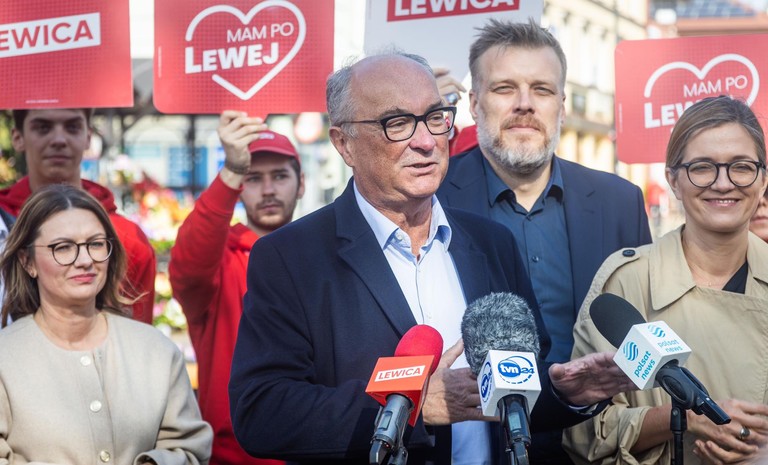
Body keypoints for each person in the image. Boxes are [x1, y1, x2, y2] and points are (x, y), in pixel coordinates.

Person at [228, 50, 636, 465]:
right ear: (344, 144)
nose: (425, 141)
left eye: (435, 117)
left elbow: (515, 388)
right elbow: (262, 411)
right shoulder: (291, 258)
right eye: (397, 123)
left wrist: (564, 391)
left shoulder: (492, 243)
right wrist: (413, 406)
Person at [436, 19, 652, 464]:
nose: (524, 104)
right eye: (504, 89)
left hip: (598, 445)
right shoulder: (430, 198)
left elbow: (641, 326)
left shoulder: (620, 202)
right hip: (477, 442)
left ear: (562, 106)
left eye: (542, 89)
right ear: (473, 104)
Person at [563, 96, 768, 465]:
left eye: (741, 167)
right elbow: (585, 434)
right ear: (673, 179)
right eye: (702, 168)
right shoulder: (628, 283)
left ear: (763, 179)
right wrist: (685, 418)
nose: (723, 184)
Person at [0, 184, 212, 463]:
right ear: (28, 261)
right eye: (63, 247)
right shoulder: (6, 357)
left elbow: (190, 449)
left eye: (96, 244)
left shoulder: (156, 351)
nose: (85, 260)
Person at [169, 113, 303, 465]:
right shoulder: (220, 261)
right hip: (231, 456)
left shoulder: (321, 256)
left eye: (279, 176)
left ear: (301, 184)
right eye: (253, 178)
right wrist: (231, 170)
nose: (268, 189)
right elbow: (188, 262)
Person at [3, 108, 156, 324]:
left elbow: (137, 335)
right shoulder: (2, 225)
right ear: (18, 137)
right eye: (43, 127)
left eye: (72, 127)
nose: (59, 139)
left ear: (88, 137)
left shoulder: (128, 238)